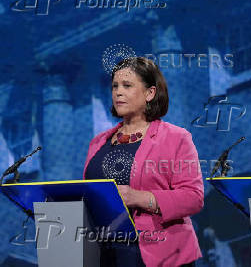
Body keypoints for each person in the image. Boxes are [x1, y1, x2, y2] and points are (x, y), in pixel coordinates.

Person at [83, 57, 204, 267]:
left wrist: (138, 197)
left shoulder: (176, 138)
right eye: (114, 86)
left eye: (127, 85)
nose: (118, 92)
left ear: (150, 93)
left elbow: (193, 197)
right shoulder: (97, 142)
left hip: (160, 255)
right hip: (104, 254)